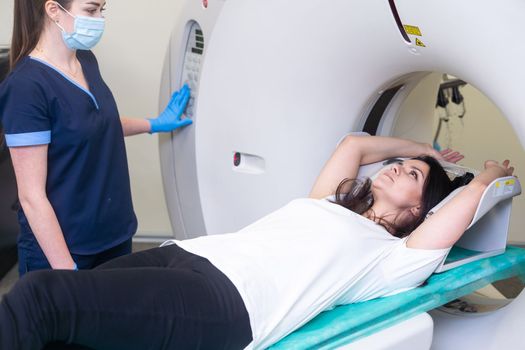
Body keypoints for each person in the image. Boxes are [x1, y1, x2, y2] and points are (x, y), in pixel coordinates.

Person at [0, 135, 516, 350]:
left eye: (414, 177)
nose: (399, 167)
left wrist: (485, 175)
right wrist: (425, 151)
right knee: (65, 336)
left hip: (228, 303)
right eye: (401, 164)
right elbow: (354, 145)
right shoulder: (332, 205)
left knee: (42, 298)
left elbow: (472, 197)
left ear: (419, 211)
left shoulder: (392, 258)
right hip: (189, 255)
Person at [0, 0, 192, 275]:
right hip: (66, 249)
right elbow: (31, 197)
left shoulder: (86, 61)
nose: (100, 18)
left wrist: (155, 123)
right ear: (54, 10)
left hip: (113, 234)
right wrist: (67, 271)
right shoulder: (26, 87)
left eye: (103, 9)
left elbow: (93, 125)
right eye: (91, 10)